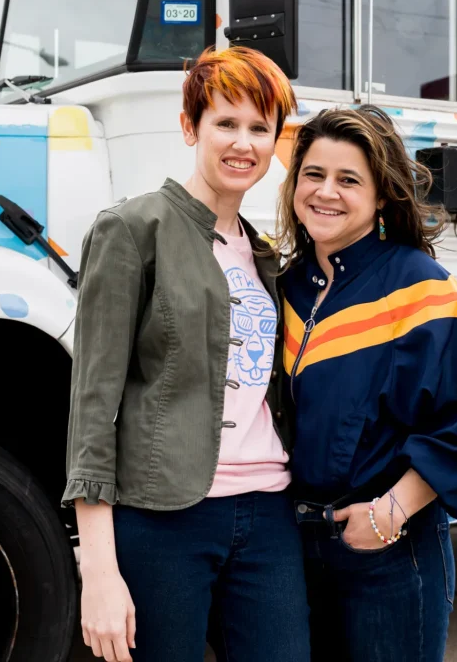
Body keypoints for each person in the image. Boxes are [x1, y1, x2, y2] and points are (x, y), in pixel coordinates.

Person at [63, 45, 310, 662]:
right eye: (225, 122)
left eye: (260, 128)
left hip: (269, 514)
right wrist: (98, 569)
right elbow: (93, 407)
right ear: (189, 126)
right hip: (167, 516)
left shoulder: (265, 253)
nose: (243, 143)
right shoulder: (132, 229)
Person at [274, 105, 457, 661]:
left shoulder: (421, 290)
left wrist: (390, 514)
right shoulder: (284, 289)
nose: (326, 191)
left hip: (390, 553)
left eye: (348, 180)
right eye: (314, 174)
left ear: (380, 197)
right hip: (295, 554)